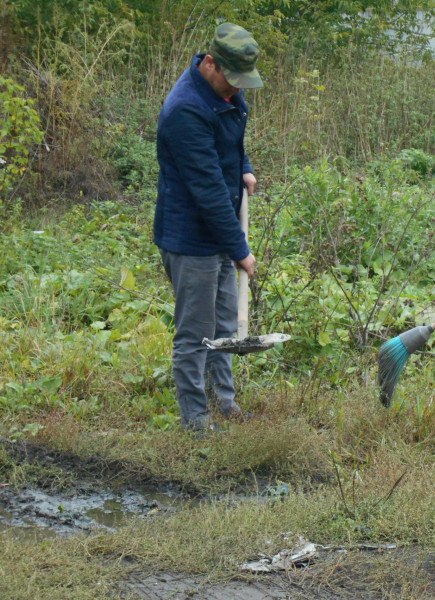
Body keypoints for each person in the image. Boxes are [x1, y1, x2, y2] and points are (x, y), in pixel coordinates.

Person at [154, 23, 263, 431]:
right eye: (232, 81)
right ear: (211, 63)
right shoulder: (185, 109)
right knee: (196, 333)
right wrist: (240, 250)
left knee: (224, 326)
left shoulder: (228, 90)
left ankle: (225, 404)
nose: (237, 91)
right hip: (191, 237)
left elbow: (232, 145)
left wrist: (246, 169)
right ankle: (196, 424)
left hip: (217, 232)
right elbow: (209, 191)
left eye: (242, 83)